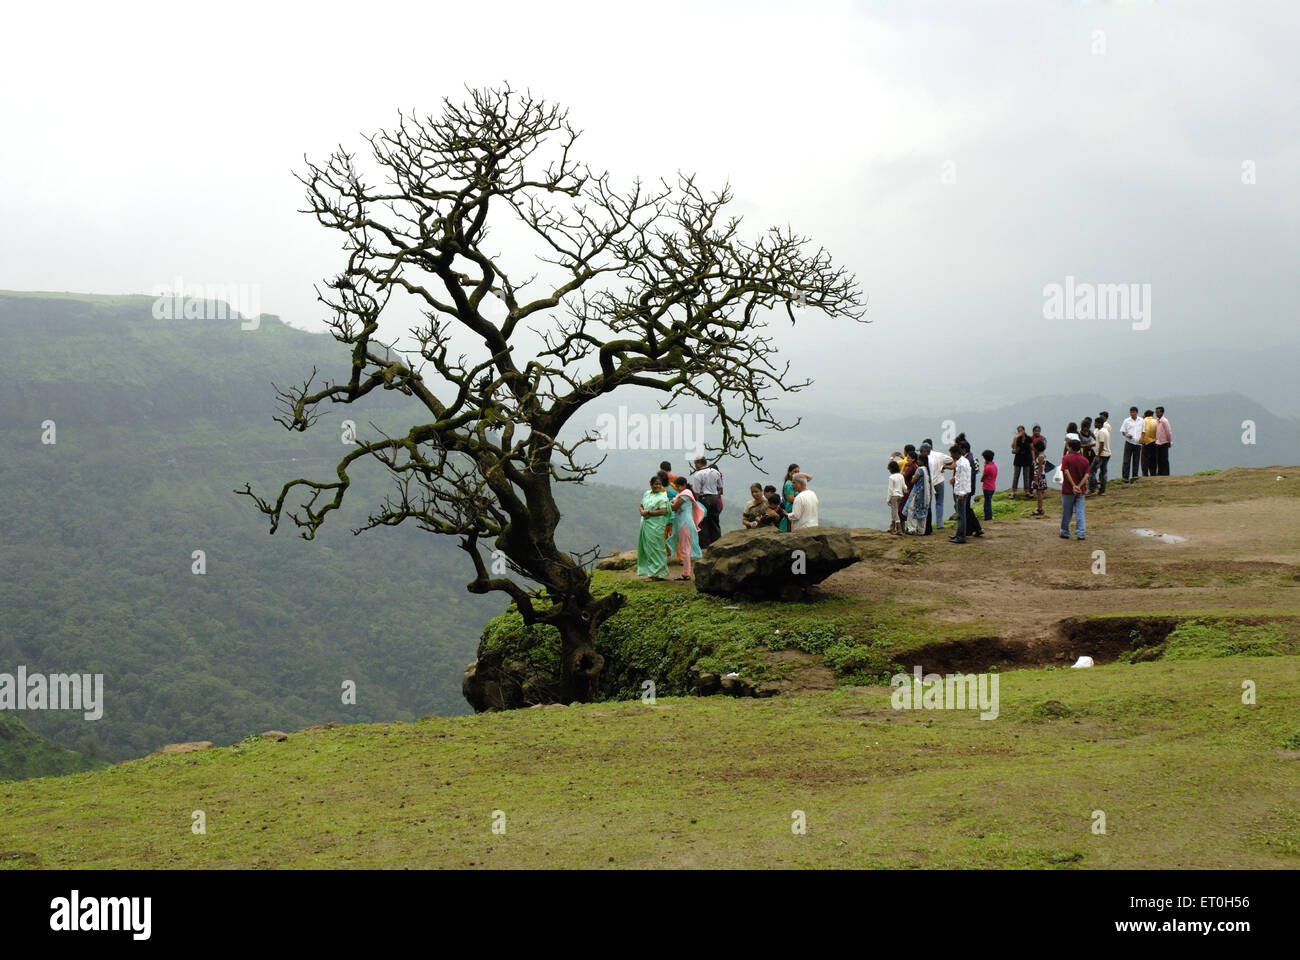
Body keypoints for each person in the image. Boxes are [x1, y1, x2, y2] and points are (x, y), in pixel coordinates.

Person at [636, 475, 672, 579]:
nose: (658, 486)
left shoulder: (662, 496)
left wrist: (648, 512)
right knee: (648, 548)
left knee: (657, 548)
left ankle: (658, 573)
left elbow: (663, 511)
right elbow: (641, 505)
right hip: (646, 523)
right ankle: (651, 572)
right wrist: (642, 511)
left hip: (656, 526)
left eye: (659, 484)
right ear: (651, 484)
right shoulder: (647, 494)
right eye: (656, 484)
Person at [669, 480, 706, 580]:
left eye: (679, 486)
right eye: (676, 486)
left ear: (684, 485)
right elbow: (674, 505)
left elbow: (674, 506)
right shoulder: (681, 494)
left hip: (684, 523)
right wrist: (673, 505)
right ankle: (686, 572)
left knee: (685, 548)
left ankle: (686, 573)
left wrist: (672, 506)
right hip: (682, 522)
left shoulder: (686, 494)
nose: (678, 488)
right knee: (684, 548)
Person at [689, 456, 724, 548]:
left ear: (698, 463)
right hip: (715, 498)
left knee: (702, 524)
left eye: (695, 463)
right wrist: (715, 495)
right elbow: (720, 487)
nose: (695, 465)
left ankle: (703, 547)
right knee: (715, 522)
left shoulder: (698, 474)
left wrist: (697, 504)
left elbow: (696, 492)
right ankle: (717, 545)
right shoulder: (715, 472)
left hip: (704, 498)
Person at [1059, 439, 1090, 540]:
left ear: (1071, 448)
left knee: (1067, 512)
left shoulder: (1066, 458)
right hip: (1080, 490)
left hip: (1068, 489)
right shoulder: (1085, 460)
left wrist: (1073, 485)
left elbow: (1066, 472)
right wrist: (1079, 486)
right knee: (1080, 511)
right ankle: (1081, 532)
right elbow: (1087, 475)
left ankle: (1065, 531)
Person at [957, 438, 983, 537]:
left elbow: (969, 476)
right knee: (967, 508)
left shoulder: (967, 460)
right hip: (969, 488)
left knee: (966, 509)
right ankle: (974, 528)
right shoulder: (969, 458)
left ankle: (973, 528)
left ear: (963, 450)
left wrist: (964, 490)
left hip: (967, 488)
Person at [926, 442, 952, 529]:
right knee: (939, 503)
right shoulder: (939, 455)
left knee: (928, 504)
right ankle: (939, 524)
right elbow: (950, 460)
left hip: (929, 482)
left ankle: (927, 524)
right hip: (939, 481)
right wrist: (943, 466)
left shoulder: (924, 457)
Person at [949, 444, 971, 544]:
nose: (952, 457)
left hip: (960, 492)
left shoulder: (961, 464)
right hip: (962, 490)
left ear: (957, 453)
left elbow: (963, 479)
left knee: (961, 516)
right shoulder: (964, 461)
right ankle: (959, 534)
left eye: (953, 455)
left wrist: (961, 494)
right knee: (960, 514)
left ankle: (961, 537)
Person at [904, 458, 931, 535]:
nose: (917, 461)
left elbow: (913, 480)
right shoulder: (927, 469)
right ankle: (921, 530)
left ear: (922, 461)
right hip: (924, 494)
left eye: (919, 460)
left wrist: (913, 477)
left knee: (911, 510)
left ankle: (912, 529)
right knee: (922, 512)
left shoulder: (920, 469)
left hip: (917, 493)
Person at [1120, 406, 1143, 483]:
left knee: (1136, 461)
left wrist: (1142, 439)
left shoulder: (1141, 420)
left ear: (1136, 412)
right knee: (1126, 460)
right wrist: (1126, 435)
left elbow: (1143, 431)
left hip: (1138, 443)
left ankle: (1134, 477)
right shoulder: (1126, 421)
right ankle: (1125, 477)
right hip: (1129, 442)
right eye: (1131, 412)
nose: (1132, 414)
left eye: (1133, 412)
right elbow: (1123, 431)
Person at [1011, 426, 1034, 499]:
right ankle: (1013, 491)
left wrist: (1033, 459)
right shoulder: (1017, 439)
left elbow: (1032, 449)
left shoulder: (1029, 438)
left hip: (1027, 458)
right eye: (1019, 431)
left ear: (1024, 430)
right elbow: (1013, 447)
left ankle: (1027, 491)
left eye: (1021, 430)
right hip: (1018, 458)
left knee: (1026, 476)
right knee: (1016, 476)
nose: (1020, 432)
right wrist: (1015, 438)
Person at [1090, 413, 1111, 495]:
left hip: (1101, 455)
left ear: (1099, 423)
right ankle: (1102, 490)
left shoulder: (1101, 432)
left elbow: (1101, 444)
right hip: (1107, 454)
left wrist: (1098, 456)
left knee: (1092, 470)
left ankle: (1092, 488)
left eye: (1095, 423)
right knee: (1103, 472)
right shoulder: (1105, 431)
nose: (1094, 424)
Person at [886, 460, 906, 534]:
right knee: (895, 511)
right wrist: (905, 490)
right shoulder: (901, 476)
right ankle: (893, 527)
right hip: (900, 496)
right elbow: (904, 486)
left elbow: (890, 489)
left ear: (891, 469)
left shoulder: (891, 477)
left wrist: (888, 499)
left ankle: (899, 529)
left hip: (894, 496)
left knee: (894, 512)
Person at [1031, 438, 1048, 515]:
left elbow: (1040, 469)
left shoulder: (1040, 457)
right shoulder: (1043, 455)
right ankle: (1039, 508)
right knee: (1039, 493)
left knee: (1039, 493)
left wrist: (1036, 479)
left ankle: (1039, 509)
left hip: (1039, 476)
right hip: (1041, 475)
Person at [980, 450, 998, 521]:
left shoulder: (987, 468)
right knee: (988, 502)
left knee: (987, 504)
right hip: (992, 487)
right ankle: (989, 516)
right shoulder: (994, 466)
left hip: (987, 487)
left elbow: (982, 478)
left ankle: (988, 517)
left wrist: (984, 467)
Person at [1140, 409, 1158, 477]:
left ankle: (1145, 473)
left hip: (1146, 442)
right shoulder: (1156, 421)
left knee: (1144, 459)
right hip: (1154, 441)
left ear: (1145, 415)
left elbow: (1142, 431)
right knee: (1153, 459)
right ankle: (1153, 473)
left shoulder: (1143, 421)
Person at [1155, 406, 1172, 475]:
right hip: (1158, 442)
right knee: (1159, 459)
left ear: (1162, 412)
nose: (1157, 414)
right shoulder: (1157, 421)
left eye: (1158, 412)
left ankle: (1166, 473)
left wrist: (1169, 441)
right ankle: (1160, 472)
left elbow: (1168, 432)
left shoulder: (1164, 421)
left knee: (1164, 459)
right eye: (1156, 412)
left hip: (1164, 442)